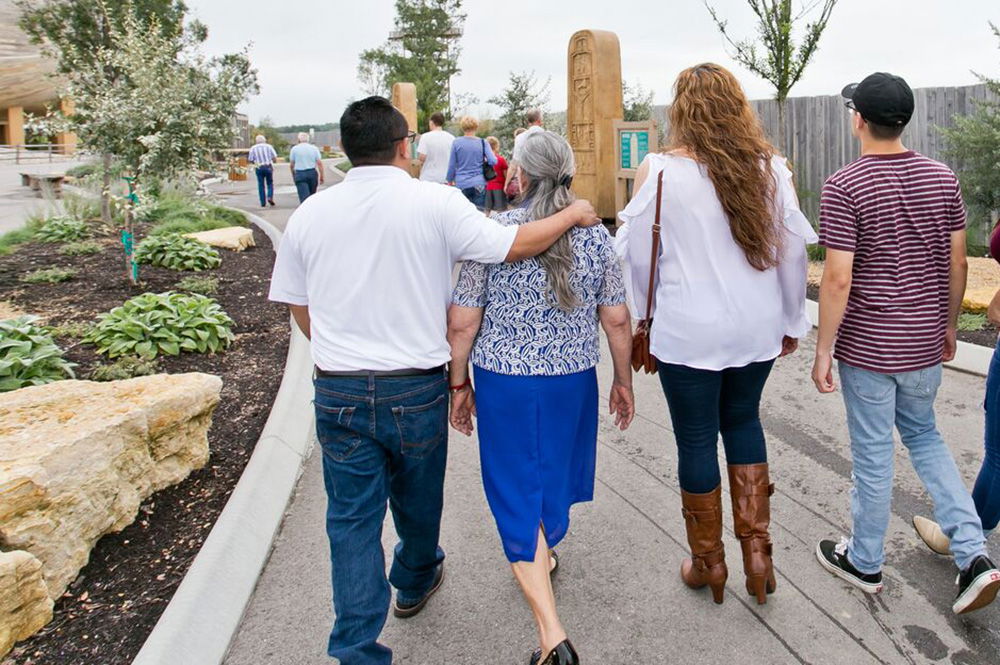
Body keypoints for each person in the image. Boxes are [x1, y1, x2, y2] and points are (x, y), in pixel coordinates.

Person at [268, 96, 601, 665]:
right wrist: (571, 214)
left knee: (350, 517)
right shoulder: (436, 203)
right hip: (414, 383)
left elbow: (298, 307)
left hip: (340, 386)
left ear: (345, 152)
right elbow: (511, 245)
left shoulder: (310, 214)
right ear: (404, 147)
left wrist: (336, 348)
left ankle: (355, 649)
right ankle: (417, 574)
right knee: (418, 498)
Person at [619, 63, 815, 606]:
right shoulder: (771, 169)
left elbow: (638, 258)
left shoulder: (658, 170)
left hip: (685, 331)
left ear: (681, 110)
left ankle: (709, 562)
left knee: (697, 438)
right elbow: (794, 252)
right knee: (744, 421)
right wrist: (791, 317)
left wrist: (643, 314)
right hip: (755, 323)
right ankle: (759, 557)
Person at [811, 72, 999, 615]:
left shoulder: (845, 185)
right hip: (922, 345)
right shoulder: (942, 178)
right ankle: (974, 556)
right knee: (927, 439)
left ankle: (865, 561)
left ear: (859, 120)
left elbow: (838, 279)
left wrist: (824, 349)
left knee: (873, 458)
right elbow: (957, 260)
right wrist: (946, 326)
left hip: (869, 352)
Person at [448, 130, 634, 665]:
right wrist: (621, 379)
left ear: (522, 175)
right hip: (571, 379)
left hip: (505, 382)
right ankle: (542, 552)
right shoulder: (595, 235)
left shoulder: (492, 231)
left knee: (514, 484)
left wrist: (459, 385)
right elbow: (616, 318)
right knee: (549, 475)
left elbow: (463, 323)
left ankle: (552, 637)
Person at [446, 116, 497, 210]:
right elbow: (493, 161)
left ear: (462, 127)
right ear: (476, 127)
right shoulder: (483, 142)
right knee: (478, 215)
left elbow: (452, 165)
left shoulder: (456, 142)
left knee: (462, 214)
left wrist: (449, 180)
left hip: (462, 183)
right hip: (479, 183)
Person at [417, 111, 455, 184]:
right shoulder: (451, 138)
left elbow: (422, 157)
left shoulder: (425, 137)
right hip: (445, 178)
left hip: (428, 178)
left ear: (431, 122)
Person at [289, 131, 325, 203]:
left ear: (298, 139)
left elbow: (292, 164)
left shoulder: (294, 149)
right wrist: (322, 176)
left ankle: (305, 211)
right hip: (312, 173)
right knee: (312, 196)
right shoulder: (314, 148)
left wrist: (293, 174)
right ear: (308, 139)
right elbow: (319, 163)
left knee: (304, 197)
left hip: (300, 173)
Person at [248, 134, 277, 208]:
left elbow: (250, 159)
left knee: (261, 184)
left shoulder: (253, 148)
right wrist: (273, 162)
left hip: (259, 167)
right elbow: (274, 156)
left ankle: (262, 202)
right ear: (264, 140)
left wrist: (255, 163)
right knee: (270, 183)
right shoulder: (269, 146)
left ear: (256, 141)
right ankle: (270, 196)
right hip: (268, 166)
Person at [483, 136, 508, 216]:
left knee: (487, 210)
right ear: (497, 146)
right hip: (499, 187)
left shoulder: (484, 160)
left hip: (488, 187)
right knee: (501, 211)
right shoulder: (500, 159)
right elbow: (506, 175)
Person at [505, 127, 527, 202]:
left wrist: (506, 184)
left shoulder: (516, 150)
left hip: (518, 182)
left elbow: (512, 167)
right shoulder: (531, 148)